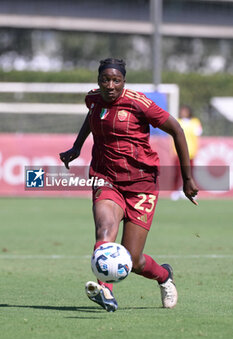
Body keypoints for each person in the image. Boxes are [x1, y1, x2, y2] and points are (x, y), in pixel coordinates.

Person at [59, 58, 198, 312]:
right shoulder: (93, 99)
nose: (110, 85)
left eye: (116, 80)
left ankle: (164, 276)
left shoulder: (138, 103)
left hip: (141, 184)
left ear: (124, 81)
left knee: (133, 259)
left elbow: (177, 129)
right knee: (105, 230)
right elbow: (92, 117)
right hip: (105, 177)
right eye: (105, 79)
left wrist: (187, 179)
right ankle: (106, 291)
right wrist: (77, 147)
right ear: (98, 80)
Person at [171, 105, 203, 201]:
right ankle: (176, 191)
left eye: (185, 111)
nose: (183, 113)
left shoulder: (195, 122)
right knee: (177, 172)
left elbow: (198, 134)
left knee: (190, 173)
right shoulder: (177, 121)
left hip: (191, 152)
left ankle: (192, 190)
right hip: (179, 152)